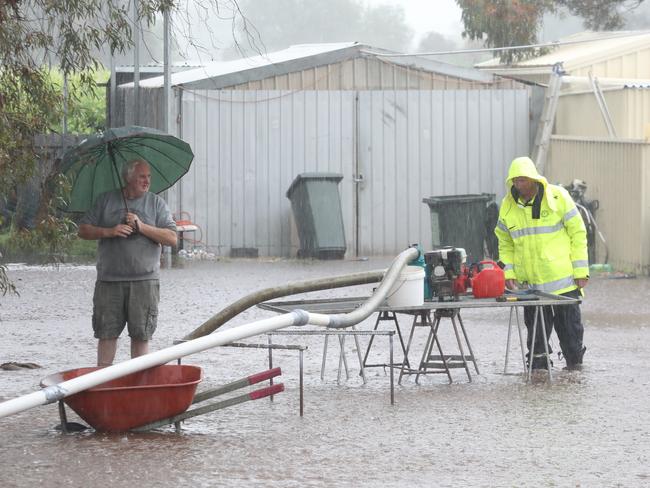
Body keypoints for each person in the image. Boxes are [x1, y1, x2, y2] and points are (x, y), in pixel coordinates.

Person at [78, 159, 177, 366]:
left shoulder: (156, 203)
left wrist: (141, 226)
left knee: (141, 335)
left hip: (144, 281)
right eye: (142, 176)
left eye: (149, 176)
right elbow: (83, 230)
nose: (147, 181)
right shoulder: (106, 200)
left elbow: (172, 238)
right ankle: (103, 383)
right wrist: (109, 231)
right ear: (128, 178)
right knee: (106, 334)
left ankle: (139, 384)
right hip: (109, 281)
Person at [494, 156, 589, 370]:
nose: (520, 185)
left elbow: (578, 232)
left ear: (534, 179)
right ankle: (538, 381)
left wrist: (581, 271)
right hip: (532, 287)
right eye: (516, 181)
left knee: (572, 341)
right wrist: (508, 274)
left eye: (523, 181)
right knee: (536, 346)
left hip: (564, 285)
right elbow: (505, 242)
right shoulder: (508, 207)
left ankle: (573, 378)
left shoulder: (558, 197)